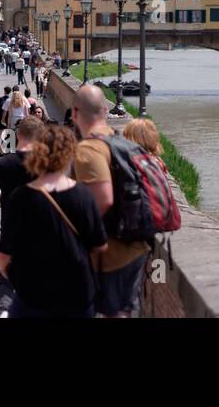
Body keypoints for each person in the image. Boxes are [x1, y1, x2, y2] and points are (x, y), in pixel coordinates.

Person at [0, 123, 106, 318]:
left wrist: (19, 280)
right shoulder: (83, 195)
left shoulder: (20, 197)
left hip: (33, 296)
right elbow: (99, 246)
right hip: (77, 294)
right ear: (70, 154)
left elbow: (3, 257)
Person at [72, 85, 149, 317]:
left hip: (111, 254)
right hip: (134, 246)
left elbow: (102, 200)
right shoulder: (125, 144)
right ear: (105, 111)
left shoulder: (88, 150)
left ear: (75, 113)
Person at [0, 116, 41, 220]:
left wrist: (5, 198)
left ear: (18, 135)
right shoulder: (47, 162)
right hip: (40, 225)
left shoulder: (1, 164)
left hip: (11, 225)